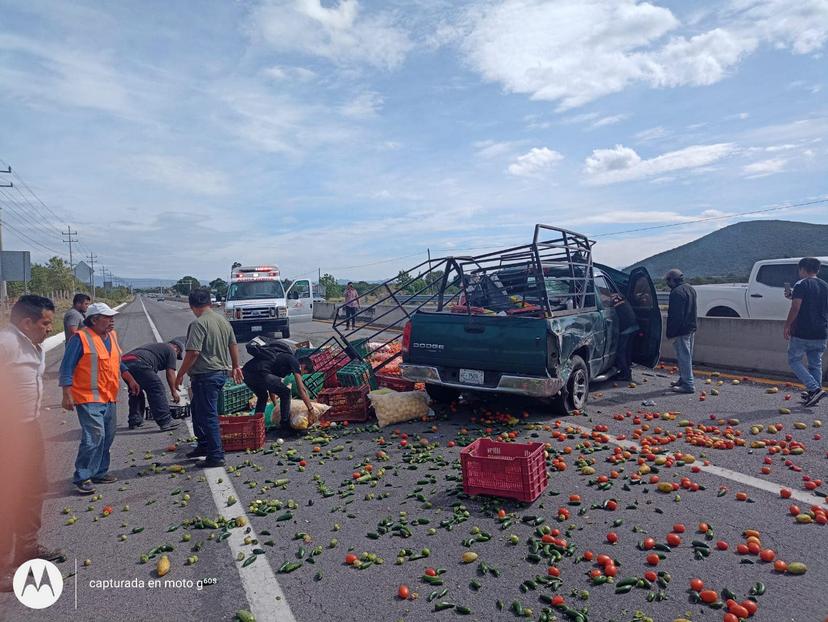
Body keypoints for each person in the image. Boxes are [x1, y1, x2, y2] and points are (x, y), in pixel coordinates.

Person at [0, 296, 64, 590]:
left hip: (29, 427)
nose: (50, 328)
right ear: (27, 323)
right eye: (46, 323)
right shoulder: (7, 343)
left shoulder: (32, 345)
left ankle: (27, 548)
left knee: (33, 489)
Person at [59, 302, 140, 495]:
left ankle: (99, 472)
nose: (112, 321)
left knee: (108, 436)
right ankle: (82, 476)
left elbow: (117, 361)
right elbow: (66, 367)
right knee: (95, 435)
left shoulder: (111, 336)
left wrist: (130, 379)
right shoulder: (81, 338)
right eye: (107, 317)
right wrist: (66, 393)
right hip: (87, 397)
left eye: (113, 317)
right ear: (94, 320)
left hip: (109, 395)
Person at [175, 288, 242, 468]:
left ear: (192, 306)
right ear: (210, 303)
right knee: (198, 411)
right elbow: (233, 344)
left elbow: (193, 352)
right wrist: (235, 366)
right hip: (219, 374)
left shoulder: (198, 324)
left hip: (206, 376)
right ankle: (203, 445)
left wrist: (180, 374)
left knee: (208, 415)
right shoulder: (222, 320)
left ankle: (216, 455)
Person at [243, 343, 314, 436]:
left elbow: (271, 387)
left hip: (247, 373)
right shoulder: (294, 361)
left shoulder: (282, 364)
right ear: (303, 366)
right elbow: (301, 389)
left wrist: (276, 405)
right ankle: (284, 427)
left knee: (262, 396)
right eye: (304, 373)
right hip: (260, 373)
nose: (302, 375)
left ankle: (256, 426)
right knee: (286, 392)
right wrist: (311, 409)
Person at [784, 257, 827, 407]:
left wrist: (787, 325)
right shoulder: (825, 285)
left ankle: (814, 389)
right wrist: (792, 296)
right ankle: (814, 393)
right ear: (818, 270)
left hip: (803, 330)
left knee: (794, 360)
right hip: (821, 331)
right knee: (815, 364)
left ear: (802, 269)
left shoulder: (801, 284)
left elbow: (796, 307)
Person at [123, 338, 186, 431]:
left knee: (136, 391)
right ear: (176, 348)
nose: (175, 357)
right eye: (177, 355)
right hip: (140, 362)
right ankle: (165, 421)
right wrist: (174, 392)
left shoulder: (156, 349)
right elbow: (170, 373)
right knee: (156, 388)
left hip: (125, 363)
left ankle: (135, 421)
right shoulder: (171, 350)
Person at [665, 268, 697, 394]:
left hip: (681, 329)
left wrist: (671, 332)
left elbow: (676, 315)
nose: (668, 283)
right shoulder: (690, 288)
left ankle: (688, 384)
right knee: (687, 355)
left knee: (683, 356)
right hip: (691, 327)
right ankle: (683, 379)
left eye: (668, 280)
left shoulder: (676, 293)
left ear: (672, 280)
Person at [611, 293, 639, 382]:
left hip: (625, 328)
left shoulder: (609, 299)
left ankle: (625, 374)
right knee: (627, 351)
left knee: (621, 352)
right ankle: (627, 371)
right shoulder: (620, 296)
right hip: (633, 325)